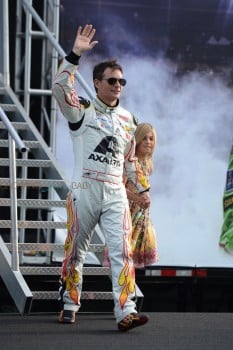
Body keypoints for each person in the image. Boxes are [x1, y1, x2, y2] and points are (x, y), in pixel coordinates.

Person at [52, 24, 151, 331]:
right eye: (112, 80)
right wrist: (75, 54)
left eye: (121, 80)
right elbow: (58, 87)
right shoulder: (81, 109)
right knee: (75, 250)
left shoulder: (128, 118)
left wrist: (141, 188)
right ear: (97, 84)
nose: (118, 85)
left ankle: (125, 312)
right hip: (84, 189)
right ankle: (69, 302)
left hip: (115, 193)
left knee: (123, 250)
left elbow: (130, 160)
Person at [103, 123, 159, 268]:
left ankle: (129, 287)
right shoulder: (129, 163)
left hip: (141, 217)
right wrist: (138, 199)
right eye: (144, 138)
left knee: (134, 263)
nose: (148, 142)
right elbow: (118, 186)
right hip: (126, 214)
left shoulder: (147, 164)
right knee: (122, 261)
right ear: (137, 141)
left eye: (151, 139)